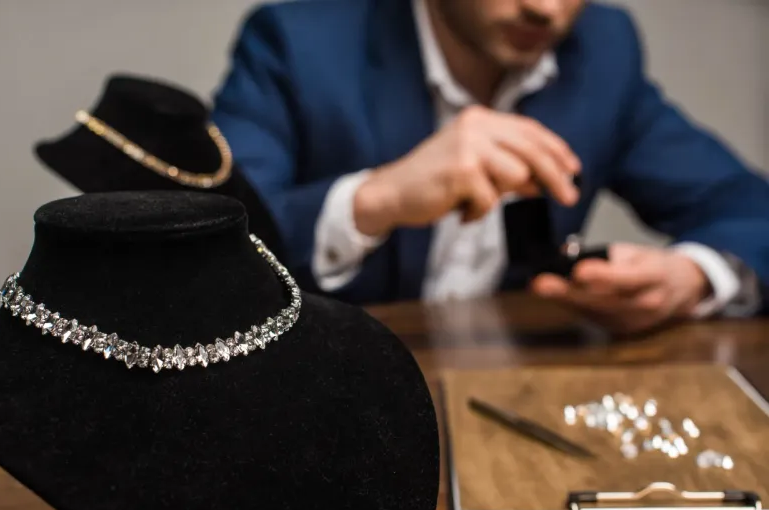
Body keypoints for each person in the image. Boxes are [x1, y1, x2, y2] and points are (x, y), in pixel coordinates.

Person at [210, 0, 769, 334]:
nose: (546, 10)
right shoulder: (295, 42)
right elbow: (206, 249)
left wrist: (694, 277)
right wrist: (375, 201)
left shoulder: (601, 49)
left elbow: (748, 207)